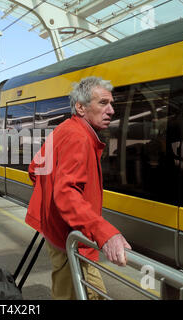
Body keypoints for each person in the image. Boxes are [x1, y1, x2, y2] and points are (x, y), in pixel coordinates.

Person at [26, 76, 131, 300]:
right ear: (81, 107)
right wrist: (105, 233)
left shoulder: (64, 129)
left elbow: (35, 168)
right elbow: (65, 194)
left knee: (72, 291)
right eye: (103, 103)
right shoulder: (79, 138)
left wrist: (49, 207)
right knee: (86, 294)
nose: (111, 110)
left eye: (111, 103)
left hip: (59, 231)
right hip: (70, 236)